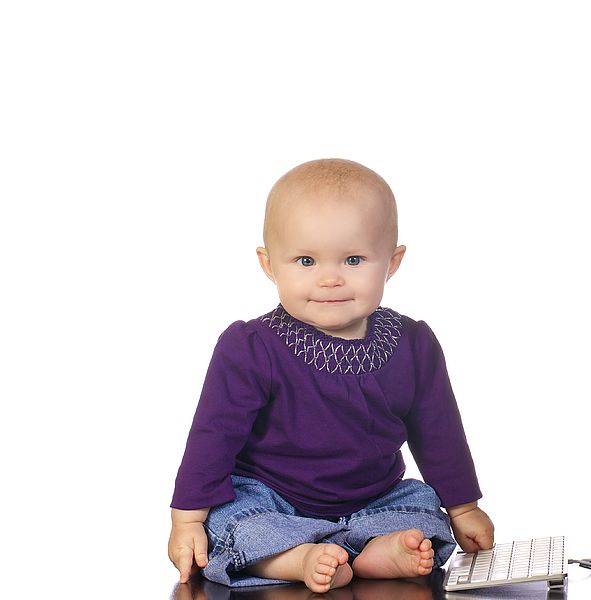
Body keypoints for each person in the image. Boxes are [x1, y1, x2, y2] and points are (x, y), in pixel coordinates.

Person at [168, 158, 494, 592]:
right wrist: (187, 518)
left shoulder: (413, 344)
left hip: (374, 498)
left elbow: (439, 432)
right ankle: (296, 557)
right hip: (274, 500)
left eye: (354, 259)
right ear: (269, 265)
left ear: (392, 262)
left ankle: (382, 551)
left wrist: (463, 508)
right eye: (305, 261)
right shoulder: (251, 346)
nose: (329, 279)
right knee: (231, 522)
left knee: (421, 509)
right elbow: (214, 433)